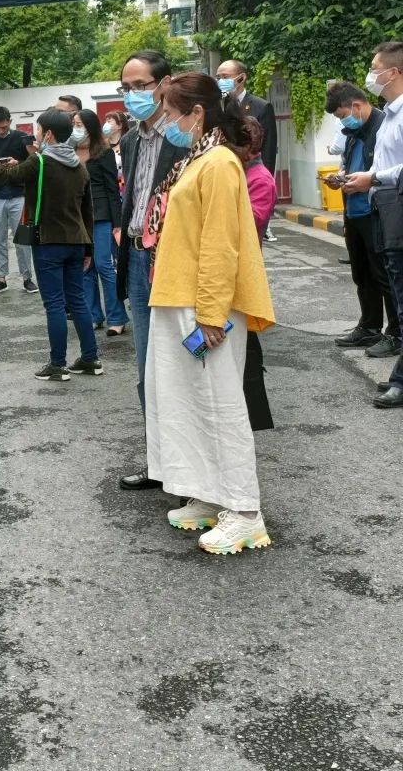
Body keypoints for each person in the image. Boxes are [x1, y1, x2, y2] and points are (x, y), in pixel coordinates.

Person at [143, 72, 275, 555]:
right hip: (177, 296)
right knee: (185, 403)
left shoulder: (218, 162)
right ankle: (209, 495)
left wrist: (211, 315)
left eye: (173, 111)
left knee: (218, 405)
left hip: (202, 304)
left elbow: (221, 245)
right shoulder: (200, 156)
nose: (167, 121)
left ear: (196, 113)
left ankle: (244, 511)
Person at [0, 109, 100, 381]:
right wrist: (89, 249)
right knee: (77, 301)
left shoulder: (40, 162)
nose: (37, 135)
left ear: (49, 134)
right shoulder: (79, 166)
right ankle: (90, 358)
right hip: (76, 242)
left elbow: (3, 175)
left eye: (39, 130)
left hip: (49, 242)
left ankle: (57, 364)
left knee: (54, 303)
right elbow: (87, 211)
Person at [114, 51, 189, 490]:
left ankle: (187, 468)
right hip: (138, 258)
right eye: (126, 87)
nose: (133, 95)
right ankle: (158, 461)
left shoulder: (184, 137)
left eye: (140, 85)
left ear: (163, 85)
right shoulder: (131, 140)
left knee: (181, 362)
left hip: (172, 261)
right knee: (146, 368)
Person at [340, 42, 403, 407]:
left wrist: (374, 177)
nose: (371, 74)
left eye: (375, 67)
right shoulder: (390, 115)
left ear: (393, 72)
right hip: (386, 208)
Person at [325, 81, 400, 360]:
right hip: (354, 212)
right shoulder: (353, 132)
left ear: (356, 106)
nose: (343, 121)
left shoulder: (385, 126)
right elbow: (351, 164)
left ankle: (396, 333)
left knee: (385, 276)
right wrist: (340, 177)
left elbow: (385, 171)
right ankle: (369, 326)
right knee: (363, 275)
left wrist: (367, 181)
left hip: (378, 212)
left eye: (343, 115)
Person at [73, 109, 129, 337]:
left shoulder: (103, 152)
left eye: (79, 124)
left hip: (102, 215)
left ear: (90, 126)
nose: (76, 129)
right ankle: (94, 315)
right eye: (73, 124)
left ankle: (117, 317)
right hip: (77, 217)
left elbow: (112, 189)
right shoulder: (71, 151)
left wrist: (117, 223)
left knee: (104, 265)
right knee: (85, 268)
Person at [215, 59, 278, 240]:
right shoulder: (218, 106)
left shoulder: (260, 106)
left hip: (251, 177)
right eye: (218, 77)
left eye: (225, 77)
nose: (220, 81)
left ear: (241, 78)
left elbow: (268, 150)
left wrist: (263, 186)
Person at [240, 116, 276, 432]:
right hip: (234, 268)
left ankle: (254, 414)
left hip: (243, 271)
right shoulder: (241, 174)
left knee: (242, 341)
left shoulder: (260, 179)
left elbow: (250, 222)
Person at [0, 106, 37, 295]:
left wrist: (17, 163)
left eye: (4, 127)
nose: (1, 131)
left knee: (23, 239)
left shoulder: (22, 137)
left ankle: (27, 277)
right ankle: (1, 278)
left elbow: (34, 162)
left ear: (10, 122)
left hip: (19, 193)